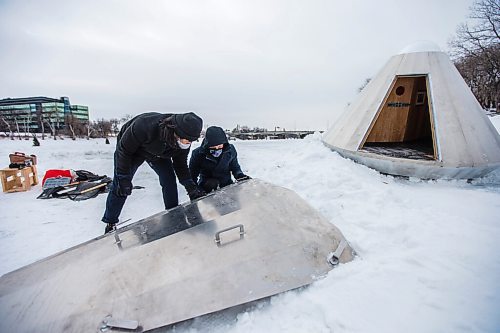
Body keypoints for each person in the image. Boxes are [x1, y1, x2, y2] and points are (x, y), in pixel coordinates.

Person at [102, 112, 206, 234]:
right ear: (176, 132)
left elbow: (180, 165)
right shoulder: (144, 126)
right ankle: (111, 222)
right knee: (121, 185)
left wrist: (190, 186)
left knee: (169, 179)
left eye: (191, 141)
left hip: (159, 153)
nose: (188, 143)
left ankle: (172, 214)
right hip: (133, 150)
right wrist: (123, 177)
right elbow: (123, 151)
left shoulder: (184, 140)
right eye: (186, 140)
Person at [189, 126, 250, 193]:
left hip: (226, 186)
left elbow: (235, 167)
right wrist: (196, 190)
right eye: (213, 146)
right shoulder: (198, 154)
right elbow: (192, 176)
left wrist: (239, 175)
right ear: (207, 144)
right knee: (212, 183)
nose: (217, 148)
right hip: (207, 187)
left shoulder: (230, 150)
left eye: (220, 146)